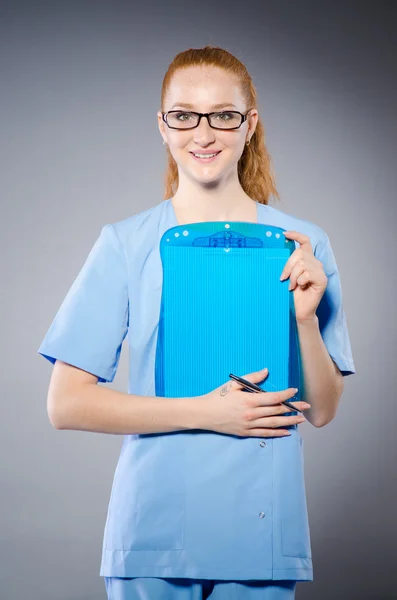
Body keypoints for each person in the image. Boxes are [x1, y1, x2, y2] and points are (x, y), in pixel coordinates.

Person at [38, 46, 356, 600]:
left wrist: (305, 320)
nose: (203, 133)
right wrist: (210, 412)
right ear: (162, 126)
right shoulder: (126, 243)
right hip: (154, 533)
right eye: (184, 114)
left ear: (249, 124)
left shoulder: (304, 244)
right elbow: (66, 404)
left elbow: (323, 411)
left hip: (263, 537)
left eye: (223, 115)